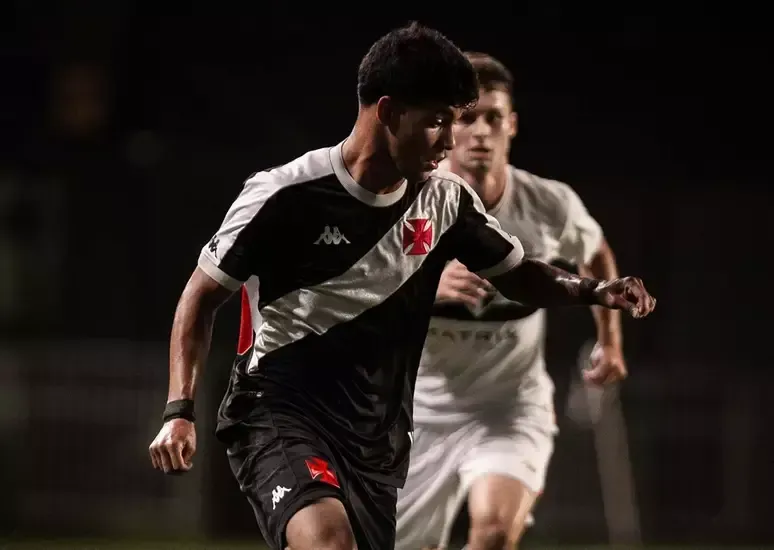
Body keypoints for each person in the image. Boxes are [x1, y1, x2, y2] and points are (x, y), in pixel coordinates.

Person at [148, 25, 656, 550]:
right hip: (279, 409)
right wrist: (178, 411)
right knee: (328, 543)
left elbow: (521, 273)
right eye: (439, 122)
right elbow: (200, 297)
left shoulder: (445, 200)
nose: (453, 141)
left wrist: (595, 290)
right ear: (387, 112)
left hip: (377, 435)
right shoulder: (284, 194)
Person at [395, 52, 631, 550]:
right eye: (467, 117)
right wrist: (425, 286)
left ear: (512, 125)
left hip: (510, 406)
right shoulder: (405, 204)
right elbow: (355, 290)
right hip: (419, 410)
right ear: (445, 126)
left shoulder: (548, 204)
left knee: (495, 532)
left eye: (493, 118)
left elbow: (596, 252)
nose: (480, 131)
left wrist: (609, 343)